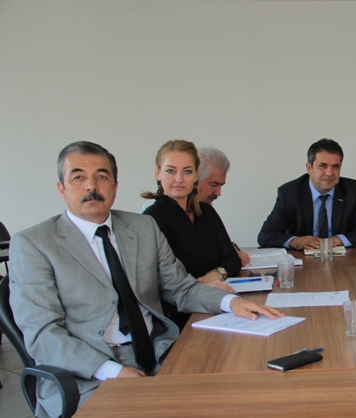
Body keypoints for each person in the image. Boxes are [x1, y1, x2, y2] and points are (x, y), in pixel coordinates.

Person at [8, 141, 283, 417]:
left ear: (115, 186)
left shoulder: (142, 227)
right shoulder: (34, 244)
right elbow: (43, 334)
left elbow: (181, 287)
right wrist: (113, 371)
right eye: (78, 177)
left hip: (160, 353)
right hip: (89, 376)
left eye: (102, 176)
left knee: (244, 394)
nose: (91, 186)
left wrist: (230, 302)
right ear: (62, 188)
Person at [142, 140, 240, 329]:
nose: (179, 179)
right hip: (180, 316)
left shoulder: (206, 211)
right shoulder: (151, 219)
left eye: (187, 172)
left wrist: (216, 274)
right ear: (158, 173)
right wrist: (198, 285)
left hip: (217, 303)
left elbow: (232, 259)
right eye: (170, 171)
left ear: (196, 175)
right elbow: (159, 284)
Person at [257, 138, 356, 249]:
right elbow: (266, 235)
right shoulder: (289, 193)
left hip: (342, 260)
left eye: (335, 166)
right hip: (303, 261)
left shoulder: (353, 190)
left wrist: (337, 240)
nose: (330, 173)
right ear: (309, 168)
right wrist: (294, 241)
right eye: (322, 166)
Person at [197, 146, 251, 266]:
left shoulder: (207, 211)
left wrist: (230, 255)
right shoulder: (164, 214)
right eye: (213, 185)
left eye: (221, 186)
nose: (218, 193)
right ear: (194, 179)